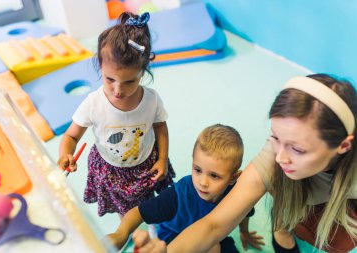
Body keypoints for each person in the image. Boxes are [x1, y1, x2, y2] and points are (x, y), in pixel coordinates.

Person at [131, 74, 357, 253]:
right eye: (275, 137)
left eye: (297, 149)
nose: (279, 158)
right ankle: (282, 228)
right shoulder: (275, 157)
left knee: (341, 241)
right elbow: (213, 225)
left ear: (344, 146)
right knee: (282, 183)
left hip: (339, 195)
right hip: (304, 195)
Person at [57, 12, 175, 217]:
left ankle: (151, 230)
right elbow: (71, 136)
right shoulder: (93, 104)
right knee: (122, 208)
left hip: (146, 164)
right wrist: (65, 154)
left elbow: (160, 127)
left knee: (147, 206)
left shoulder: (152, 99)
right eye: (109, 79)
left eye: (129, 81)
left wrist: (162, 158)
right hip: (110, 169)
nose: (118, 90)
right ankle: (127, 229)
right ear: (100, 66)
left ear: (143, 71)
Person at [107, 124, 265, 252]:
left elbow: (244, 212)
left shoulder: (236, 194)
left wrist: (244, 232)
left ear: (233, 178)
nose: (203, 182)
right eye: (197, 170)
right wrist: (121, 233)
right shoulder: (179, 195)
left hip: (217, 236)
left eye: (214, 176)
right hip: (174, 238)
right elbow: (137, 213)